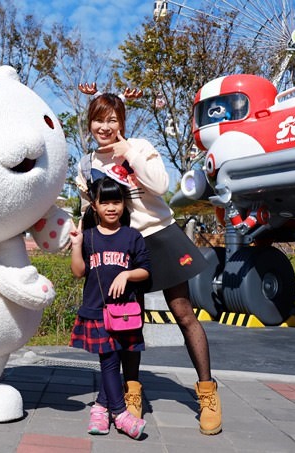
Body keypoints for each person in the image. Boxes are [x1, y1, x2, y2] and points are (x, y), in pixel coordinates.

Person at [75, 82, 223, 436]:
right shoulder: (87, 163)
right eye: (98, 121)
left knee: (184, 314)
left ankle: (207, 393)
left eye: (111, 120)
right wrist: (82, 244)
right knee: (126, 322)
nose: (104, 127)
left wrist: (129, 153)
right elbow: (86, 210)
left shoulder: (139, 147)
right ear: (90, 124)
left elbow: (159, 185)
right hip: (122, 245)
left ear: (122, 121)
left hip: (160, 236)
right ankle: (131, 393)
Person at [69, 176, 149, 440]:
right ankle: (121, 413)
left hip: (124, 312)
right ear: (95, 206)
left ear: (124, 204)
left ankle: (100, 409)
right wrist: (77, 245)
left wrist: (126, 275)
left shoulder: (132, 237)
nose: (111, 208)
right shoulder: (89, 237)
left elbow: (145, 270)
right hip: (96, 309)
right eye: (105, 202)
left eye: (117, 201)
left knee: (112, 360)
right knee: (110, 361)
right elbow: (79, 272)